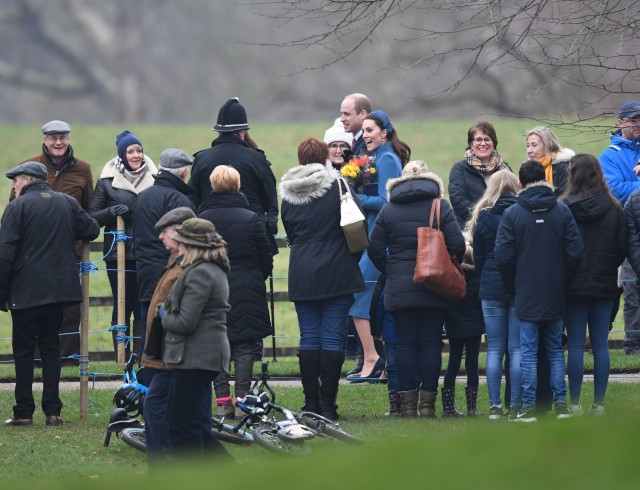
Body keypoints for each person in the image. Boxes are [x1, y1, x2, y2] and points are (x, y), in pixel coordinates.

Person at [0, 162, 99, 426]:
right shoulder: (66, 202)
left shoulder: (17, 208)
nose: (14, 186)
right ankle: (53, 412)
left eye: (16, 181)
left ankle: (23, 411)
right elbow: (91, 229)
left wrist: (2, 292)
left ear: (27, 180)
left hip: (25, 292)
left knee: (23, 352)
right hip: (58, 292)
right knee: (51, 350)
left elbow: (5, 253)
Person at [369, 161, 465, 417]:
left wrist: (391, 269)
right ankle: (427, 405)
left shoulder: (389, 209)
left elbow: (374, 248)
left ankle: (409, 406)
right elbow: (457, 244)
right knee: (431, 344)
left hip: (399, 288)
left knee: (404, 346)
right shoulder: (439, 206)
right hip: (433, 286)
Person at [280, 138, 364, 420]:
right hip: (337, 269)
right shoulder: (338, 185)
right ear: (324, 156)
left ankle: (310, 403)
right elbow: (355, 225)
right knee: (332, 338)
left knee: (309, 337)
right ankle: (328, 405)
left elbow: (291, 234)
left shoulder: (288, 195)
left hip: (302, 271)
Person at [495, 160, 584, 422]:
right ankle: (561, 405)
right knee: (555, 350)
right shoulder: (561, 210)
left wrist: (514, 282)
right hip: (555, 290)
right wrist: (563, 277)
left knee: (528, 352)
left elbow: (502, 257)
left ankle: (528, 407)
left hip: (525, 291)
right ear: (544, 178)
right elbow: (575, 251)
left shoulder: (513, 214)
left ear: (520, 182)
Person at [16, 120, 94, 363]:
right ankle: (39, 357)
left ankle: (69, 357)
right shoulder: (30, 166)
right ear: (45, 140)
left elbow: (89, 211)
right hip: (34, 251)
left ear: (68, 139)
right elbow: (15, 206)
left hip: (68, 252)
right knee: (37, 305)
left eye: (62, 137)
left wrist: (80, 243)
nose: (58, 142)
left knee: (70, 306)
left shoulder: (82, 169)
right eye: (53, 138)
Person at [199, 165, 273, 418]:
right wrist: (255, 276)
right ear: (238, 185)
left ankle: (222, 402)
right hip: (247, 286)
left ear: (212, 185)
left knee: (216, 345)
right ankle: (243, 401)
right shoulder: (251, 218)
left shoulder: (203, 219)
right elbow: (266, 256)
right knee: (244, 346)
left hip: (212, 287)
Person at [445, 121, 509, 417]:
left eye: (487, 139)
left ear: (493, 142)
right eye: (477, 139)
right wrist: (484, 213)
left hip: (496, 247)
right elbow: (457, 201)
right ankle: (450, 399)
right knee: (461, 338)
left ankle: (475, 400)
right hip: (468, 250)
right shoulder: (460, 169)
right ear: (470, 144)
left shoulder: (504, 168)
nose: (482, 144)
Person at [345, 110, 409, 383]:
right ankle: (380, 363)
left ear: (384, 133)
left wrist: (355, 197)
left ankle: (372, 357)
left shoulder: (388, 159)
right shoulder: (374, 158)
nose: (366, 135)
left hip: (380, 240)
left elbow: (386, 200)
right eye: (365, 131)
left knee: (358, 296)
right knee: (374, 301)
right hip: (370, 235)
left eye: (371, 130)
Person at [159, 218, 231, 454]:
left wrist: (163, 314)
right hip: (203, 357)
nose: (178, 247)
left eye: (181, 242)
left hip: (196, 358)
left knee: (181, 426)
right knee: (197, 426)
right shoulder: (211, 270)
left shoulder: (200, 274)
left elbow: (185, 322)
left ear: (191, 245)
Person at [562, 154, 626, 416]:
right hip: (605, 285)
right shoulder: (614, 209)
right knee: (600, 345)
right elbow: (621, 247)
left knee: (575, 345)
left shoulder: (564, 208)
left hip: (574, 287)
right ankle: (599, 404)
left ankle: (575, 403)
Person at [91, 130, 157, 357]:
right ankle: (122, 355)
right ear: (122, 154)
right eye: (131, 151)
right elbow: (92, 217)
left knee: (143, 305)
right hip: (118, 255)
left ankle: (141, 357)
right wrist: (111, 212)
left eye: (139, 150)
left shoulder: (155, 178)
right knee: (122, 304)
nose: (136, 155)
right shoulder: (107, 181)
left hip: (147, 252)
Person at [190, 97, 278, 253]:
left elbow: (193, 198)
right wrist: (268, 228)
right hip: (251, 238)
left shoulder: (201, 159)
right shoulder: (256, 158)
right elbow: (270, 200)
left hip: (210, 239)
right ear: (242, 132)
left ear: (219, 131)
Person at [141, 206, 196, 457]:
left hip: (172, 355)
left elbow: (182, 316)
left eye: (165, 232)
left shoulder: (185, 268)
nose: (161, 237)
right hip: (165, 352)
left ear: (181, 234)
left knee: (159, 407)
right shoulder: (174, 264)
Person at [469, 170, 521, 420]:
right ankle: (515, 403)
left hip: (490, 285)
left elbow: (478, 255)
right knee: (517, 349)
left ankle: (494, 406)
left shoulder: (484, 216)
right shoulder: (521, 214)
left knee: (494, 349)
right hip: (517, 285)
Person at [133, 148, 194, 333]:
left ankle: (145, 361)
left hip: (144, 269)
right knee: (168, 325)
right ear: (183, 172)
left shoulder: (142, 197)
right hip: (170, 271)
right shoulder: (179, 200)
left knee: (148, 321)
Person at [600, 101, 640, 354]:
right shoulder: (609, 156)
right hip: (631, 232)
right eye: (633, 120)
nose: (638, 125)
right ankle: (633, 345)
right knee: (633, 291)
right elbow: (615, 191)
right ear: (620, 122)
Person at [525, 126, 575, 195]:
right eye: (528, 146)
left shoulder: (564, 167)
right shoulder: (528, 169)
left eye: (534, 145)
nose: (529, 150)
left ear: (547, 145)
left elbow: (566, 197)